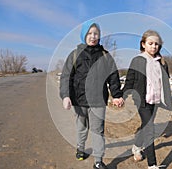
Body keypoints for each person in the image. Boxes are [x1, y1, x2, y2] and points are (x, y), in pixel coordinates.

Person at [59, 20, 124, 169]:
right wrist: (65, 96)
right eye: (89, 33)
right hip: (79, 99)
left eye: (96, 33)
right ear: (84, 35)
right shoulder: (75, 54)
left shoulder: (105, 56)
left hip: (98, 100)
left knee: (98, 131)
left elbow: (113, 77)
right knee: (81, 128)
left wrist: (116, 95)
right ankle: (80, 149)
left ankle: (98, 161)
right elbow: (66, 77)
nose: (93, 36)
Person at [122, 30, 172, 169]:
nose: (153, 46)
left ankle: (136, 146)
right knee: (150, 129)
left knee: (146, 127)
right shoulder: (137, 60)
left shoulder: (162, 63)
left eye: (156, 44)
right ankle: (152, 165)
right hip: (142, 101)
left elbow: (165, 83)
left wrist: (168, 101)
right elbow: (130, 80)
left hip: (155, 101)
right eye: (150, 43)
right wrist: (122, 96)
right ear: (143, 44)